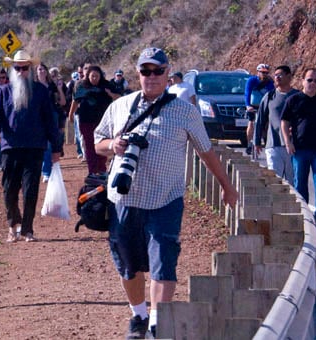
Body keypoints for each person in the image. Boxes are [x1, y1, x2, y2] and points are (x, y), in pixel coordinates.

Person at [93, 47, 238, 339]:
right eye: (146, 71)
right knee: (128, 265)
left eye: (158, 71)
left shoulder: (184, 110)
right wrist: (114, 145)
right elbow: (98, 141)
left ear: (168, 74)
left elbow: (206, 153)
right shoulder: (121, 106)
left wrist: (227, 186)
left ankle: (158, 323)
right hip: (124, 200)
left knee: (163, 261)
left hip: (165, 200)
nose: (152, 77)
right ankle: (139, 316)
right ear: (138, 74)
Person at [0, 50, 62, 243]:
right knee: (9, 189)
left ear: (30, 69)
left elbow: (50, 121)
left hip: (35, 147)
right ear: (13, 69)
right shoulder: (5, 91)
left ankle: (27, 229)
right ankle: (13, 225)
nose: (21, 71)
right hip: (10, 147)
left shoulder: (40, 91)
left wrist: (56, 148)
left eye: (25, 68)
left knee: (30, 189)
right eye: (18, 68)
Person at [281, 67, 316, 222]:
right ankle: (304, 212)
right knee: (300, 181)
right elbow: (284, 122)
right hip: (299, 148)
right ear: (302, 81)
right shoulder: (293, 100)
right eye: (309, 80)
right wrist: (287, 142)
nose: (312, 83)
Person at [69, 65, 118, 177]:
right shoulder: (82, 86)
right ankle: (92, 171)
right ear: (88, 76)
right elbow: (75, 101)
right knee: (90, 146)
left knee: (101, 145)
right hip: (86, 121)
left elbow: (119, 97)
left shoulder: (107, 85)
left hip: (103, 121)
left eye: (96, 76)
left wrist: (111, 94)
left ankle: (101, 169)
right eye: (92, 76)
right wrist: (71, 114)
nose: (94, 78)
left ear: (100, 76)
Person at [253, 65, 299, 184]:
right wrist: (257, 141)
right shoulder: (269, 96)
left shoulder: (298, 97)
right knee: (274, 181)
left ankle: (291, 203)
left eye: (280, 75)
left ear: (289, 77)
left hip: (294, 147)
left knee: (292, 183)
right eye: (275, 75)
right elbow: (260, 120)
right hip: (273, 144)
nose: (277, 77)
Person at [37, 63, 67, 182]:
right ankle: (42, 169)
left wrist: (59, 88)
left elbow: (63, 102)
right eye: (39, 69)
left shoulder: (51, 86)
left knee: (50, 144)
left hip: (52, 116)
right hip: (37, 117)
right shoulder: (33, 86)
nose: (42, 71)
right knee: (40, 144)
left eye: (44, 69)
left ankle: (47, 172)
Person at [244, 63, 275, 154]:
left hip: (264, 106)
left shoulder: (270, 82)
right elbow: (247, 93)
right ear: (258, 72)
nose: (264, 74)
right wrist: (248, 105)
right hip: (253, 105)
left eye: (266, 73)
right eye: (262, 72)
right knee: (251, 123)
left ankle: (265, 139)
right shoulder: (252, 80)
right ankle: (249, 143)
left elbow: (271, 95)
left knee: (266, 124)